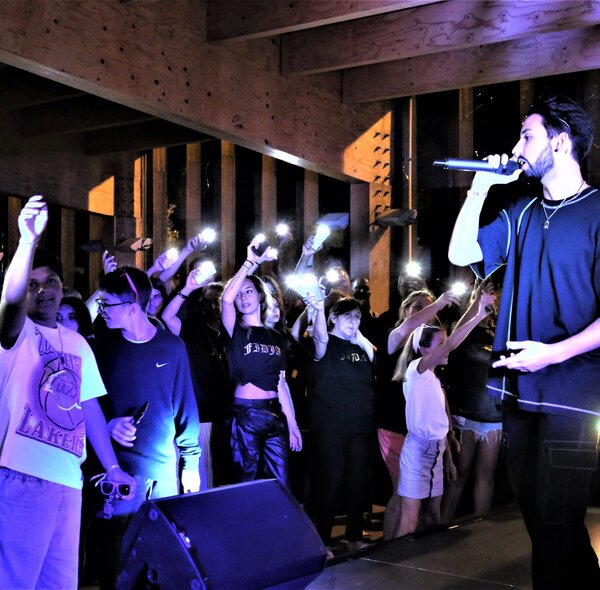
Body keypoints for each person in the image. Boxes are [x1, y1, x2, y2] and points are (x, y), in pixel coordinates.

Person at [448, 94, 600, 589]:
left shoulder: (598, 211)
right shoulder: (521, 212)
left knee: (556, 527)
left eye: (527, 136)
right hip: (517, 393)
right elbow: (461, 253)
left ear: (560, 142)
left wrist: (553, 353)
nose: (516, 147)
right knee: (545, 526)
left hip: (572, 396)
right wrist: (480, 188)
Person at [0, 195, 134, 589]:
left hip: (68, 480)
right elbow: (10, 303)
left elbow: (88, 408)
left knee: (60, 583)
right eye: (33, 284)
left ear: (63, 287)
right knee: (15, 581)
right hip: (20, 474)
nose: (43, 290)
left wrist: (112, 467)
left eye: (51, 282)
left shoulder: (77, 342)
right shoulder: (15, 333)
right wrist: (27, 241)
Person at [92, 265, 201, 588]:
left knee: (158, 565)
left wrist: (190, 464)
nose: (102, 310)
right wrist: (107, 425)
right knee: (116, 568)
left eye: (107, 304)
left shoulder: (172, 347)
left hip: (162, 473)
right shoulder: (102, 348)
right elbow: (85, 407)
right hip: (115, 473)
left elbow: (185, 407)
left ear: (132, 305)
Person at [393, 287, 495, 537]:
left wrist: (447, 453)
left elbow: (440, 420)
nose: (445, 348)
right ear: (424, 349)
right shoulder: (416, 370)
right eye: (439, 344)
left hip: (435, 449)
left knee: (434, 517)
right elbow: (452, 343)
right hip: (418, 451)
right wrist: (479, 314)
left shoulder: (433, 378)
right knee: (410, 518)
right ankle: (396, 558)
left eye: (443, 342)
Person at [376, 288, 460, 539]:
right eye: (419, 308)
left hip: (422, 432)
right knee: (401, 494)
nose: (426, 314)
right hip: (394, 426)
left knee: (423, 501)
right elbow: (408, 326)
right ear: (405, 310)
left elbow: (439, 395)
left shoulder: (427, 349)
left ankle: (415, 548)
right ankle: (389, 548)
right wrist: (439, 303)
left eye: (429, 309)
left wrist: (450, 433)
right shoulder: (394, 338)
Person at [221, 238, 302, 488]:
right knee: (246, 483)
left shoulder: (276, 336)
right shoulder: (235, 329)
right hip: (246, 413)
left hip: (274, 414)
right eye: (240, 293)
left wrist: (292, 423)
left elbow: (281, 384)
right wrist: (250, 263)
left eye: (249, 291)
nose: (243, 297)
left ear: (259, 295)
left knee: (281, 484)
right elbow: (226, 300)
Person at [307, 295, 376, 552]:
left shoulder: (360, 346)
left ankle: (354, 534)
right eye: (348, 316)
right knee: (330, 482)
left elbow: (380, 363)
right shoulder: (327, 344)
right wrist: (318, 308)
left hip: (360, 424)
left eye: (357, 317)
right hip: (330, 426)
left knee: (358, 481)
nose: (353, 321)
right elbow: (319, 338)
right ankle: (322, 540)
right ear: (334, 317)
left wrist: (360, 338)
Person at [441, 280, 502, 523]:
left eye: (495, 297)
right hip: (466, 411)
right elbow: (453, 342)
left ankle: (482, 528)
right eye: (488, 296)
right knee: (460, 472)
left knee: (486, 475)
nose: (492, 301)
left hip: (493, 412)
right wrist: (478, 305)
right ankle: (441, 525)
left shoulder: (500, 332)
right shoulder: (463, 328)